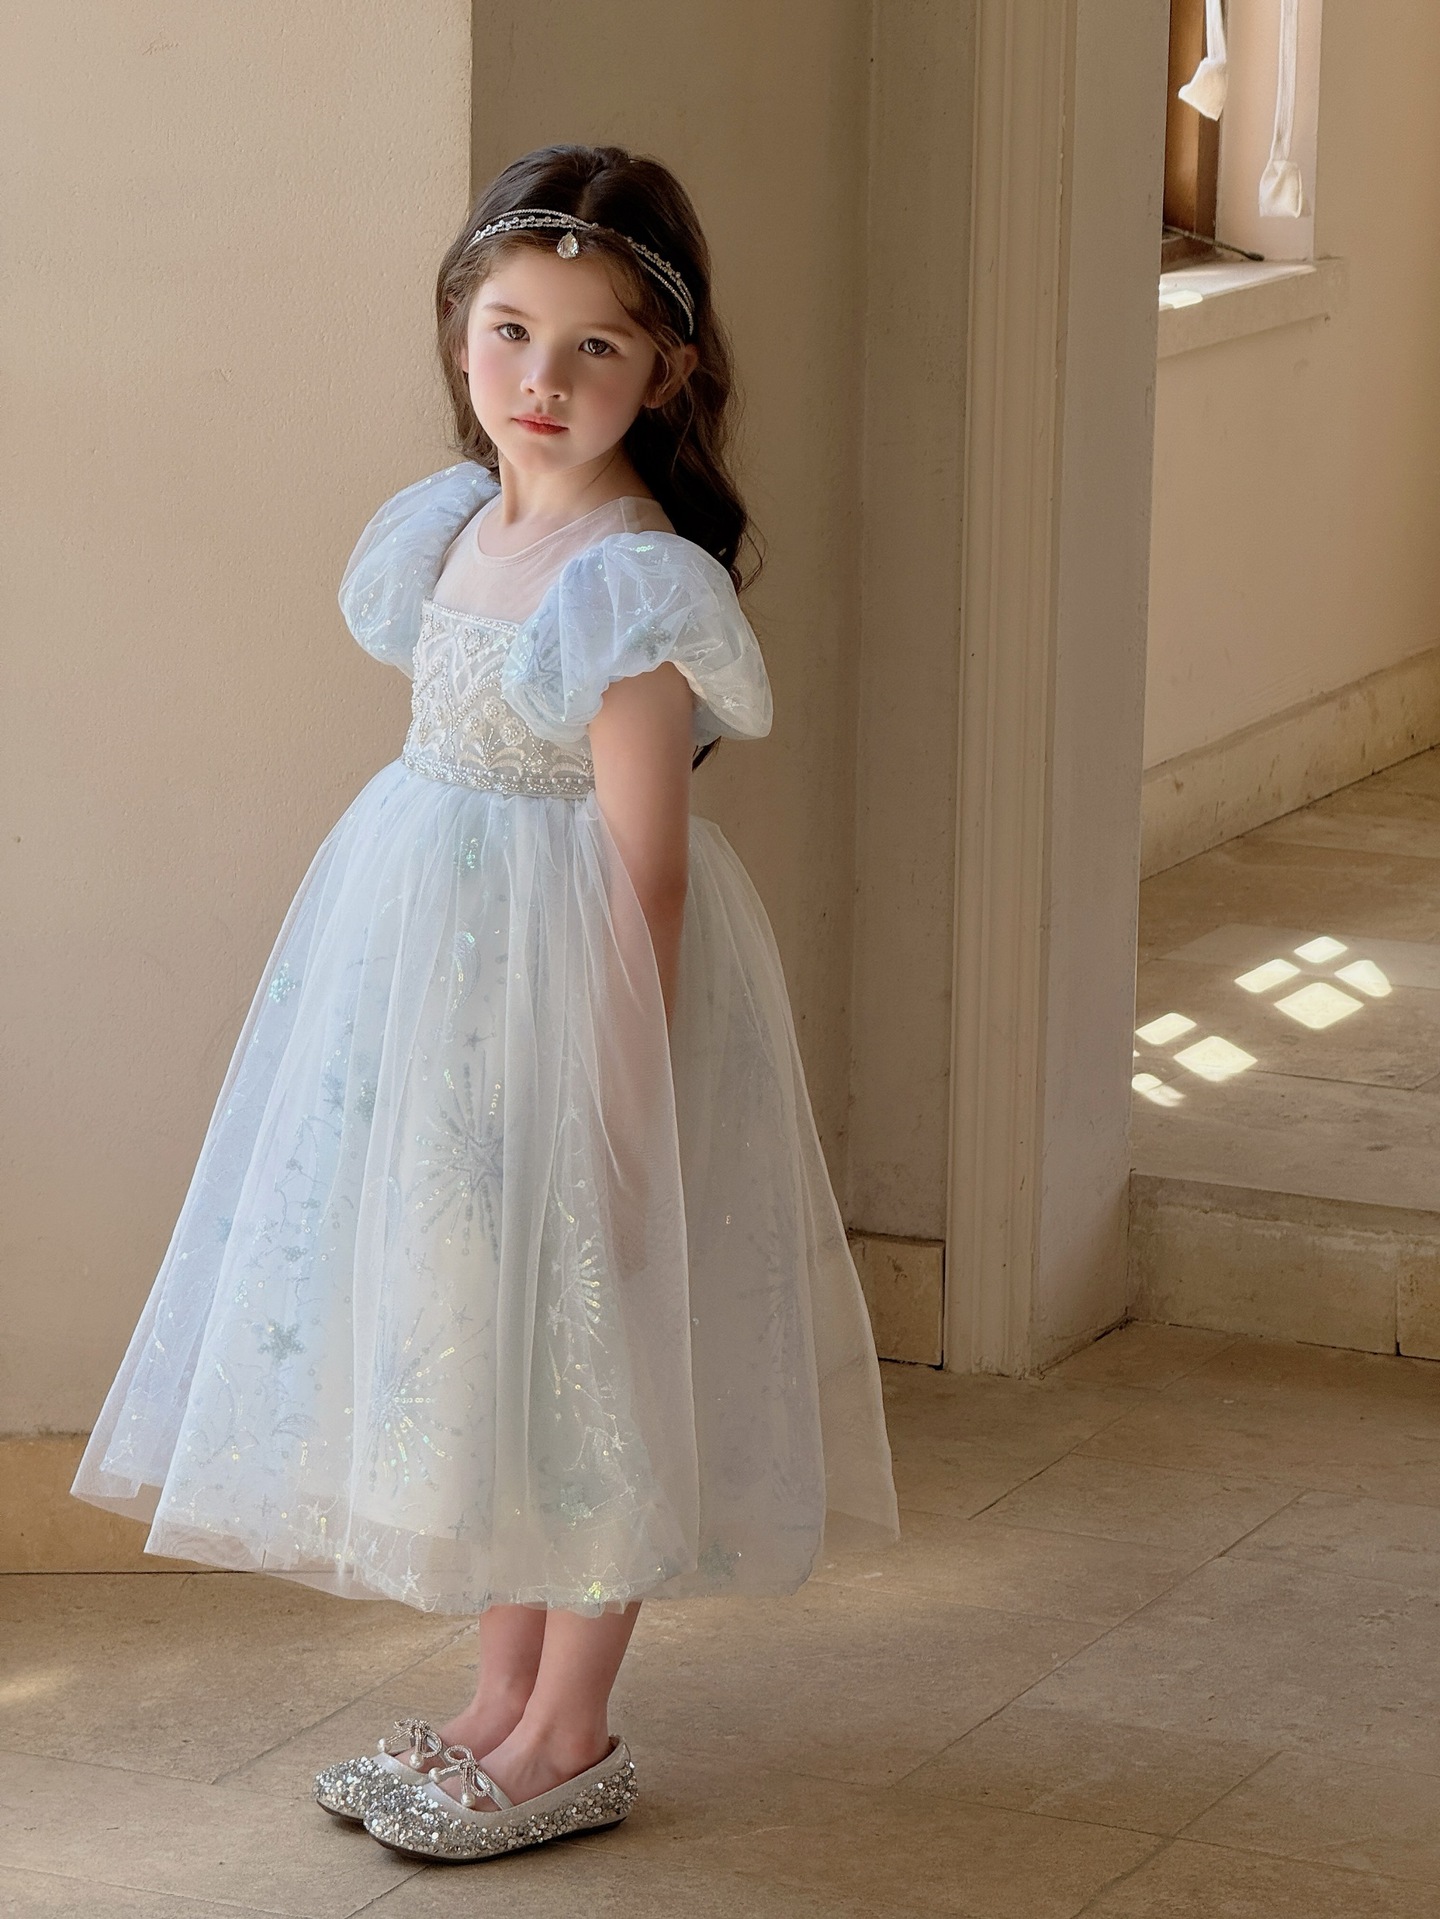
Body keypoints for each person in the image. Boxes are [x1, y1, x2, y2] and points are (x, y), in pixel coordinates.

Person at [71, 141, 898, 1863]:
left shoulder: (631, 583)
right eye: (510, 331)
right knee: (489, 1331)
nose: (543, 378)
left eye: (596, 346)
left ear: (668, 371)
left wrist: (622, 1091)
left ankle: (571, 1726)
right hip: (437, 989)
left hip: (580, 995)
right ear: (459, 334)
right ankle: (495, 1699)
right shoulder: (447, 529)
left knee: (589, 1339)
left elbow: (643, 871)